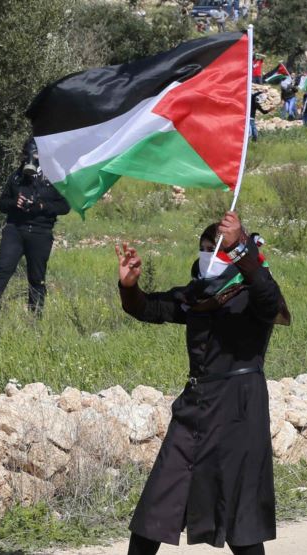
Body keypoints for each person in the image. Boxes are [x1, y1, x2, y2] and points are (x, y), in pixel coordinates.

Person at [116, 211, 290, 555]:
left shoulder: (252, 289)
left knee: (239, 514)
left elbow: (269, 299)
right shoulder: (198, 294)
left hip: (239, 409)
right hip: (194, 407)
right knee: (157, 504)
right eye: (205, 248)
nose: (209, 255)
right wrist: (130, 287)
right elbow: (152, 308)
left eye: (218, 248)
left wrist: (241, 248)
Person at [0, 139, 70, 314]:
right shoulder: (16, 177)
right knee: (3, 269)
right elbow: (2, 204)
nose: (30, 159)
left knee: (36, 276)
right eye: (27, 155)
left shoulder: (53, 177)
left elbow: (65, 206)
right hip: (15, 229)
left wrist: (42, 206)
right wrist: (15, 202)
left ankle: (35, 315)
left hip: (41, 231)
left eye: (35, 155)